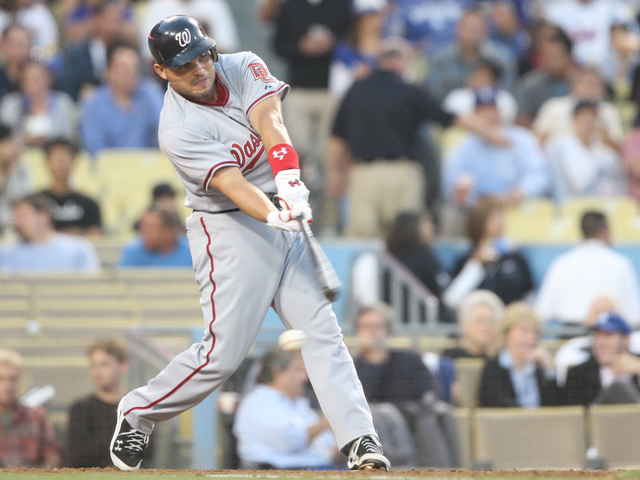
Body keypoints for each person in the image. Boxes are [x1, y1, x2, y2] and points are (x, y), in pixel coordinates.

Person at [109, 15, 389, 472]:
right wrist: (275, 212)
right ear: (161, 71)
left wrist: (290, 178)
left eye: (202, 55)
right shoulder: (176, 128)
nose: (199, 68)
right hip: (229, 228)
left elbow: (270, 120)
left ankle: (360, 440)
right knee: (222, 355)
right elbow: (232, 184)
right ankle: (138, 411)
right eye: (184, 64)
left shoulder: (241, 65)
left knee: (322, 332)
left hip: (280, 202)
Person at [327, 38, 510, 238]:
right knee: (407, 238)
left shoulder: (357, 89)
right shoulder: (410, 91)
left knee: (362, 239)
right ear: (402, 61)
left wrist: (335, 172)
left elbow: (337, 137)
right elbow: (451, 118)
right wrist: (490, 133)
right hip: (402, 174)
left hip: (364, 174)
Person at [352, 304, 459, 468]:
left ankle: (445, 472)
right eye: (366, 327)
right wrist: (373, 360)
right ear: (358, 331)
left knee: (433, 416)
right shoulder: (354, 368)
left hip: (416, 419)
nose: (372, 332)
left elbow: (430, 390)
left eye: (378, 326)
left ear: (388, 330)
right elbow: (363, 401)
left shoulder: (409, 360)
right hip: (381, 428)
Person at [443, 88, 550, 210]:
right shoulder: (464, 145)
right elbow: (451, 184)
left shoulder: (522, 138)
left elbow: (539, 175)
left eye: (493, 109)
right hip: (478, 209)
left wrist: (522, 191)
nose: (490, 115)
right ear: (474, 115)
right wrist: (465, 197)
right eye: (483, 110)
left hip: (515, 205)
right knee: (450, 213)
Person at [233, 349, 336, 469]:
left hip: (319, 468)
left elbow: (328, 447)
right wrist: (328, 421)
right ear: (278, 372)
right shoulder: (259, 400)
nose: (304, 377)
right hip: (275, 471)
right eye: (298, 370)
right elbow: (290, 441)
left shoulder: (298, 403)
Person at [535, 210, 640, 327]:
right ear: (604, 232)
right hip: (607, 337)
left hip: (572, 335)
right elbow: (634, 316)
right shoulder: (620, 264)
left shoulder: (562, 263)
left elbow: (542, 311)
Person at [80, 43, 164, 157]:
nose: (130, 73)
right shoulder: (94, 105)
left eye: (134, 68)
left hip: (148, 166)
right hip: (110, 169)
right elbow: (96, 149)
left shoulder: (150, 92)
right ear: (109, 71)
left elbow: (165, 129)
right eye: (124, 68)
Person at [449, 198, 535, 307]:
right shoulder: (465, 260)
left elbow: (528, 294)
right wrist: (476, 263)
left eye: (502, 216)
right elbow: (452, 300)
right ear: (480, 221)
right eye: (494, 217)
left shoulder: (516, 256)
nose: (501, 221)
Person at [427, 8, 516, 103]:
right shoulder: (440, 59)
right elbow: (433, 96)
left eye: (477, 29)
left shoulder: (501, 59)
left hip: (491, 111)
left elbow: (508, 95)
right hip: (449, 112)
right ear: (457, 29)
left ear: (486, 31)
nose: (472, 33)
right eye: (468, 28)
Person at [479, 302, 559, 408]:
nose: (530, 339)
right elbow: (496, 404)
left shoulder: (538, 368)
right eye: (524, 331)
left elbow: (557, 406)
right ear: (506, 334)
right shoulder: (493, 367)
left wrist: (549, 370)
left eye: (534, 332)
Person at [67, 339, 130, 468]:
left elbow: (144, 455)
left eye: (104, 364)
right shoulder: (80, 409)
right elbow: (77, 456)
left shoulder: (137, 408)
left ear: (123, 366)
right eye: (93, 365)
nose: (97, 371)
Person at [55, 0, 134, 101]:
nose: (117, 21)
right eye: (111, 17)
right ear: (97, 20)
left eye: (119, 18)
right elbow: (65, 86)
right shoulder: (78, 54)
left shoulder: (127, 50)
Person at [0, 193, 101, 273]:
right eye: (15, 217)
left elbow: (91, 290)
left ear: (44, 216)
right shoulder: (5, 253)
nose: (17, 222)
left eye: (23, 216)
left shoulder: (78, 250)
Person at [545, 100, 624, 202]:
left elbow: (617, 186)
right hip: (567, 206)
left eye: (592, 119)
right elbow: (578, 184)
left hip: (599, 207)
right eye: (584, 119)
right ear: (574, 120)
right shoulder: (559, 146)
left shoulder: (606, 154)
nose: (588, 124)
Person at [542, 0, 639, 76]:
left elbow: (633, 44)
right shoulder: (555, 12)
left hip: (611, 75)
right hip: (569, 76)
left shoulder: (616, 9)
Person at [534, 67, 624, 148]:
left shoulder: (608, 112)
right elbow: (539, 139)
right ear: (575, 85)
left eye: (597, 85)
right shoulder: (554, 107)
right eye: (588, 83)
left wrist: (603, 131)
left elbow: (617, 147)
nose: (591, 89)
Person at [0, 348, 61, 468]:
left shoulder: (37, 416)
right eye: (1, 379)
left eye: (13, 379)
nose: (7, 385)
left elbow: (52, 456)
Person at [563, 312, 640, 406]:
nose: (601, 342)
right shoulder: (578, 375)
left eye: (608, 335)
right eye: (597, 335)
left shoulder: (637, 364)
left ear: (626, 339)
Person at [0, 61, 78, 146]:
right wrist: (24, 139)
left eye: (38, 78)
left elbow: (69, 136)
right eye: (29, 79)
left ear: (48, 79)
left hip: (53, 153)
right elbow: (4, 138)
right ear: (21, 82)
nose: (35, 83)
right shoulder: (10, 104)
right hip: (19, 154)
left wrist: (48, 140)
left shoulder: (63, 103)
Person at [38, 138, 102, 236]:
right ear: (47, 161)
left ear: (74, 161)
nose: (61, 164)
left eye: (65, 158)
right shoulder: (36, 203)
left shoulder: (89, 205)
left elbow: (96, 235)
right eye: (57, 158)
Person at [514, 29, 575, 126]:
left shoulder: (581, 83)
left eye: (556, 56)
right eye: (547, 56)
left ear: (568, 57)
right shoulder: (529, 84)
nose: (551, 61)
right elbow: (521, 118)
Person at [442, 59, 518, 124]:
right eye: (477, 75)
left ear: (495, 80)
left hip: (497, 134)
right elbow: (451, 121)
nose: (480, 79)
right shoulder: (456, 96)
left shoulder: (504, 97)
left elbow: (508, 122)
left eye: (486, 76)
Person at [120, 204, 192, 268]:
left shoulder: (192, 254)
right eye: (142, 227)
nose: (143, 233)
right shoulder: (133, 253)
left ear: (169, 231)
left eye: (150, 228)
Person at [442, 290, 505, 360]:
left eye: (491, 321)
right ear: (463, 323)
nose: (485, 327)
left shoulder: (503, 358)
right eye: (479, 320)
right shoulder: (449, 358)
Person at [0, 123, 30, 235]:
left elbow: (22, 203)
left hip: (10, 229)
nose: (17, 150)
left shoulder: (21, 170)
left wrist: (13, 173)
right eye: (12, 144)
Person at [0, 24, 32, 98]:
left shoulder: (40, 77)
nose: (23, 50)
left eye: (27, 45)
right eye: (18, 45)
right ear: (2, 45)